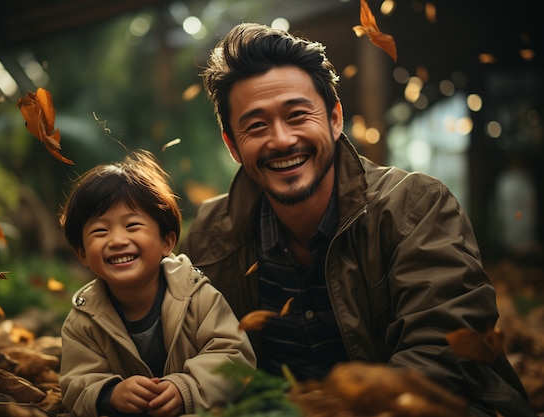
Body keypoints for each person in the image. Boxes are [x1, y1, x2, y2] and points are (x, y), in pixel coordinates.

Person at [178, 22, 536, 417]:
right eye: (257, 125)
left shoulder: (414, 206)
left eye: (297, 115)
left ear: (334, 119)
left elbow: (446, 353)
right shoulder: (211, 236)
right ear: (232, 144)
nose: (280, 140)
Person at [58, 149, 256, 417]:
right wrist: (110, 394)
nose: (117, 240)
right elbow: (75, 381)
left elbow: (234, 356)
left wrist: (186, 388)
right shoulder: (83, 320)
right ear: (81, 253)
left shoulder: (197, 296)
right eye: (100, 231)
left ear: (167, 242)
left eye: (132, 226)